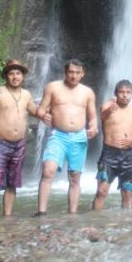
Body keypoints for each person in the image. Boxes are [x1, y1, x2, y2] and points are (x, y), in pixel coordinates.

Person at [35, 59, 98, 215]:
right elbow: (40, 110)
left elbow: (93, 116)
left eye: (77, 73)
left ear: (82, 74)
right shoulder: (52, 87)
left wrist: (94, 127)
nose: (73, 76)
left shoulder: (87, 92)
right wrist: (44, 116)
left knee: (75, 177)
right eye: (71, 72)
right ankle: (41, 212)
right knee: (48, 171)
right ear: (65, 72)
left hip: (79, 136)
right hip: (58, 135)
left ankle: (72, 213)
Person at [0, 59, 39, 219]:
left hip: (19, 144)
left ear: (23, 76)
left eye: (18, 73)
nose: (15, 76)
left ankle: (7, 216)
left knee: (13, 182)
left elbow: (34, 110)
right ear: (6, 76)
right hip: (0, 143)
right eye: (11, 73)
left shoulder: (26, 94)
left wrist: (47, 112)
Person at [92, 79, 132, 210]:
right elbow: (102, 115)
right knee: (101, 191)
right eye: (121, 92)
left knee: (128, 192)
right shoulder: (108, 107)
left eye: (128, 92)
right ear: (116, 94)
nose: (125, 95)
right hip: (109, 154)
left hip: (128, 155)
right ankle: (95, 222)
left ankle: (125, 223)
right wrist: (109, 109)